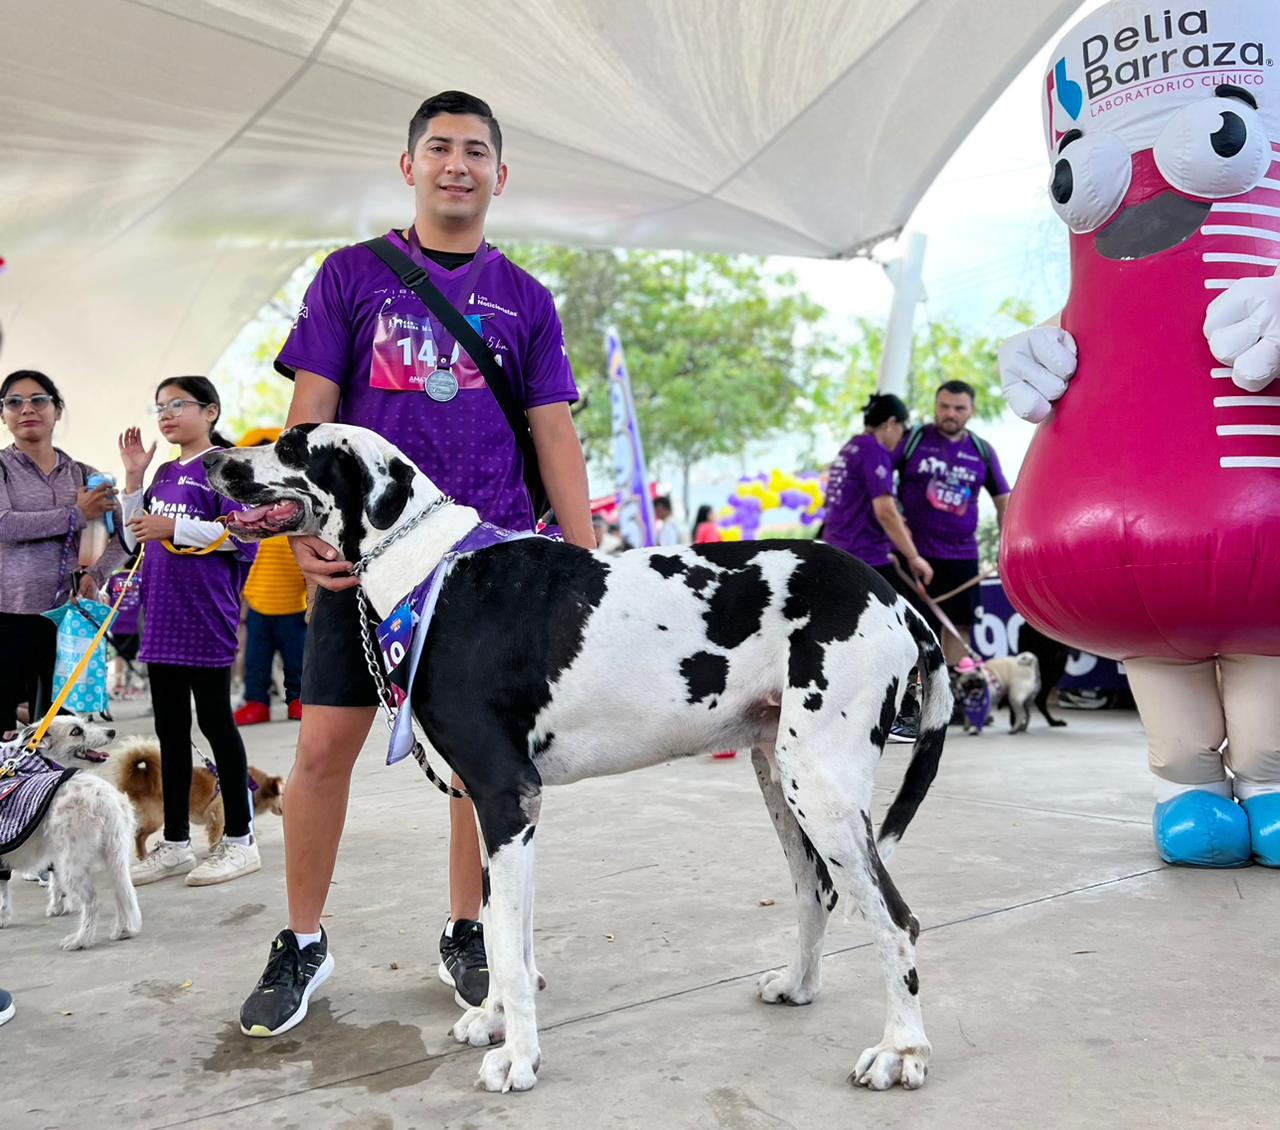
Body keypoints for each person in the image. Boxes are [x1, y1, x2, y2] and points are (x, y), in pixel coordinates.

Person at [237, 90, 593, 1039]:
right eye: (438, 148)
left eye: (476, 151)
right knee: (319, 751)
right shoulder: (351, 276)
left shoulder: (525, 298)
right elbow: (307, 421)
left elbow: (553, 428)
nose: (457, 165)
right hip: (367, 566)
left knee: (481, 764)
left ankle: (469, 929)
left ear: (499, 175)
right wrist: (301, 530)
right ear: (409, 166)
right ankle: (302, 939)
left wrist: (591, 561)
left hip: (490, 568)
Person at [120, 376, 261, 887]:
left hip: (205, 612)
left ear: (211, 411)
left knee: (217, 724)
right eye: (160, 406)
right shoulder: (161, 473)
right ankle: (176, 842)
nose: (166, 414)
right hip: (161, 615)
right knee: (171, 733)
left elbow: (246, 534)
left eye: (178, 404)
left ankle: (241, 840)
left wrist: (173, 528)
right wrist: (134, 481)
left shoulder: (227, 468)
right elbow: (135, 534)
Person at [0, 370, 125, 734]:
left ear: (57, 410)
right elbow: (5, 524)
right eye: (14, 402)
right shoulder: (3, 469)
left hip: (70, 618)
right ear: (3, 415)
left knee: (63, 729)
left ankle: (54, 790)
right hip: (8, 615)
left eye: (39, 400)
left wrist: (95, 575)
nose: (27, 409)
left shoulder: (86, 475)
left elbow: (125, 539)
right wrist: (76, 515)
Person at [892, 380, 1010, 667]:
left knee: (960, 628)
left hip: (962, 558)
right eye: (944, 406)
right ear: (935, 406)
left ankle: (955, 695)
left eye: (959, 408)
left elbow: (1003, 499)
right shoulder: (913, 439)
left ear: (971, 411)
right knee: (909, 631)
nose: (950, 414)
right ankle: (914, 699)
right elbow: (878, 488)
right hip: (915, 558)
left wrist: (1005, 546)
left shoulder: (982, 450)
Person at [234, 428, 307, 726]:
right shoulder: (246, 515)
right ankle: (256, 701)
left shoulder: (296, 509)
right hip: (258, 605)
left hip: (294, 606)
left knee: (298, 660)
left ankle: (300, 699)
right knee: (256, 660)